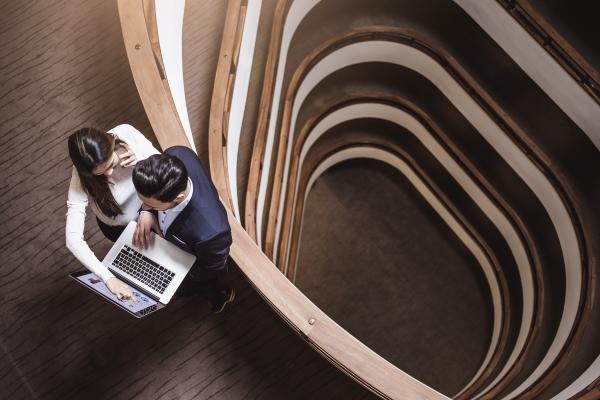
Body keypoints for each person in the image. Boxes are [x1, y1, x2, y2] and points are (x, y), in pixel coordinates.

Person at [131, 146, 234, 313]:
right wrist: (146, 211)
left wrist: (176, 273)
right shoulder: (176, 153)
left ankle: (221, 295)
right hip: (170, 242)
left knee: (197, 288)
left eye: (150, 203)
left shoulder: (212, 232)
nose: (144, 204)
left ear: (178, 198)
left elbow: (211, 267)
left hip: (192, 267)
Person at [66, 124, 160, 303]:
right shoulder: (81, 175)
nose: (109, 173)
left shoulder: (126, 132)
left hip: (152, 206)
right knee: (147, 258)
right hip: (118, 227)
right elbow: (72, 238)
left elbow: (167, 168)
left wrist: (141, 161)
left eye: (110, 165)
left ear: (113, 144)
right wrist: (108, 278)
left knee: (172, 249)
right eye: (100, 173)